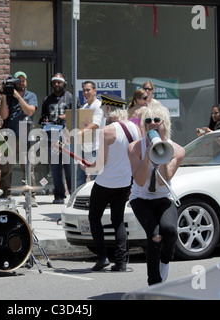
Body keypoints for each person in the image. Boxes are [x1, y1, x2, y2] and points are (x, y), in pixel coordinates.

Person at [81, 94, 140, 271]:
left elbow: (100, 163)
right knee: (118, 221)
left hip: (106, 183)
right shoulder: (135, 129)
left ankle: (102, 258)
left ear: (108, 109)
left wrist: (87, 169)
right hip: (124, 182)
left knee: (94, 217)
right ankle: (121, 261)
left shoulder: (106, 131)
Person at [128, 103, 185, 285]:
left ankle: (165, 259)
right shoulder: (134, 148)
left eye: (157, 120)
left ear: (165, 123)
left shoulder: (177, 150)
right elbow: (139, 181)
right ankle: (154, 283)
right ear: (144, 125)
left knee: (169, 230)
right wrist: (147, 156)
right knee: (154, 235)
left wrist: (162, 156)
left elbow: (162, 181)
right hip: (141, 199)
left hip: (162, 197)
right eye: (148, 121)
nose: (152, 123)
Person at [0, 71, 39, 206]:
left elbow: (29, 111)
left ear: (26, 81)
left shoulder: (31, 96)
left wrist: (18, 97)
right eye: (18, 80)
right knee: (6, 168)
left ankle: (30, 196)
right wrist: (4, 95)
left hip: (26, 137)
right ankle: (6, 194)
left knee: (28, 167)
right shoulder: (9, 97)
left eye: (23, 80)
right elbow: (4, 116)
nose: (21, 82)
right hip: (9, 135)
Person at [40, 73, 79, 204]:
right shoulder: (47, 99)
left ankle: (73, 194)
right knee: (56, 167)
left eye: (59, 82)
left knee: (69, 166)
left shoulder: (71, 98)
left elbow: (78, 116)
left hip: (68, 136)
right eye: (54, 82)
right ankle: (59, 195)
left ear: (64, 83)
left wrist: (65, 117)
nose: (57, 84)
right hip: (52, 137)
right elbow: (43, 118)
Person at [76, 81, 106, 187]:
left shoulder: (98, 106)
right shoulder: (84, 107)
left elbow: (96, 125)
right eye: (84, 90)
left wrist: (80, 132)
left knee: (95, 177)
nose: (86, 92)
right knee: (79, 176)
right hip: (84, 147)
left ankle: (96, 201)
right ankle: (77, 200)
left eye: (88, 90)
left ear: (95, 91)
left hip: (95, 147)